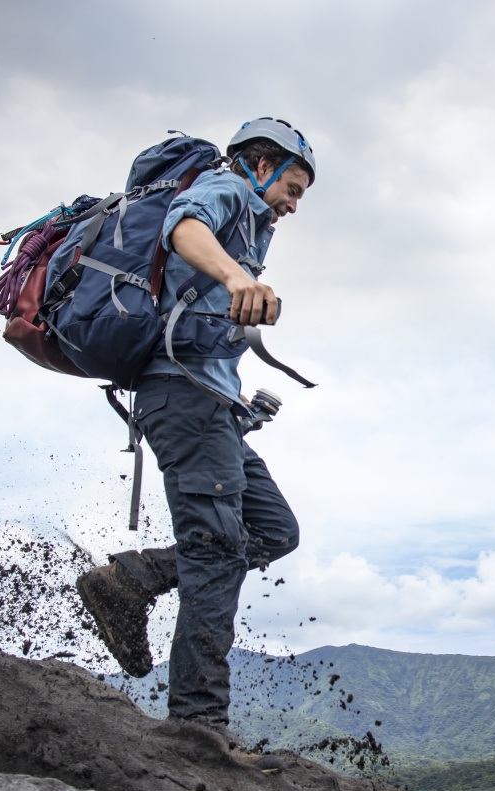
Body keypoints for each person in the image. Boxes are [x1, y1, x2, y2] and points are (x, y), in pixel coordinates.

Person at [75, 118, 315, 743]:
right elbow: (183, 226)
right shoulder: (227, 187)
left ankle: (136, 577)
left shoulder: (249, 220)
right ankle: (199, 730)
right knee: (213, 548)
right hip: (182, 395)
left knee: (273, 531)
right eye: (292, 186)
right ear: (261, 164)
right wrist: (239, 277)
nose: (293, 204)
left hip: (214, 408)